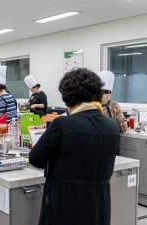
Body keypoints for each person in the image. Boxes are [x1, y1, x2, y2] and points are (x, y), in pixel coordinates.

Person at [29, 68, 120, 225]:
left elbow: (35, 158)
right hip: (99, 205)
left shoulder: (63, 124)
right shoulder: (112, 126)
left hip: (66, 204)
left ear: (68, 98)